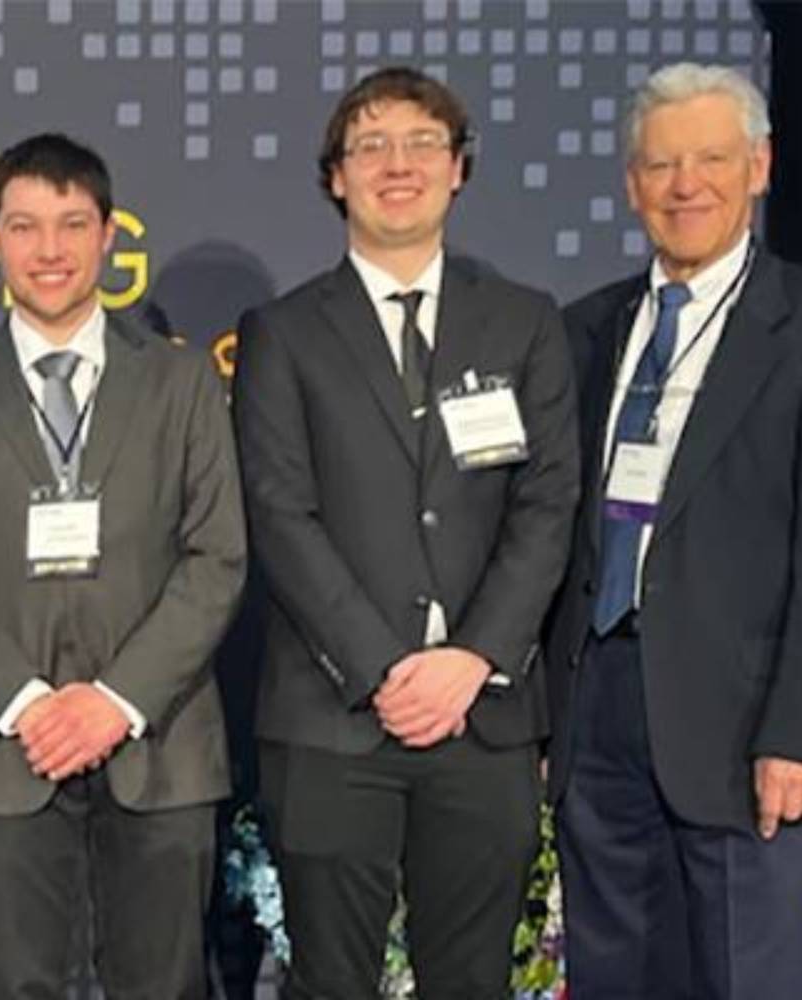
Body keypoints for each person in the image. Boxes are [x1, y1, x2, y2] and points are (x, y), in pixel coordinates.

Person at [544, 62, 802, 998]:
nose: (684, 185)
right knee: (615, 977)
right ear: (631, 185)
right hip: (601, 719)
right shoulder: (585, 331)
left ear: (761, 165)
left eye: (710, 159)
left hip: (751, 734)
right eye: (661, 166)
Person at [232, 67, 580, 998]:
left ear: (458, 169)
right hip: (335, 719)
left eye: (423, 143)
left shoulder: (525, 322)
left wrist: (472, 659)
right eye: (371, 145)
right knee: (332, 982)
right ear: (335, 177)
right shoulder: (282, 332)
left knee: (472, 980)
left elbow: (548, 507)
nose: (398, 165)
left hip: (485, 717)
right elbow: (280, 512)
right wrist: (387, 670)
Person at [0, 133, 246, 999]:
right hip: (5, 756)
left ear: (108, 235)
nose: (48, 250)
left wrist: (113, 703)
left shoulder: (181, 382)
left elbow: (218, 556)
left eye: (71, 224)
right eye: (24, 226)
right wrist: (32, 704)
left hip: (159, 753)